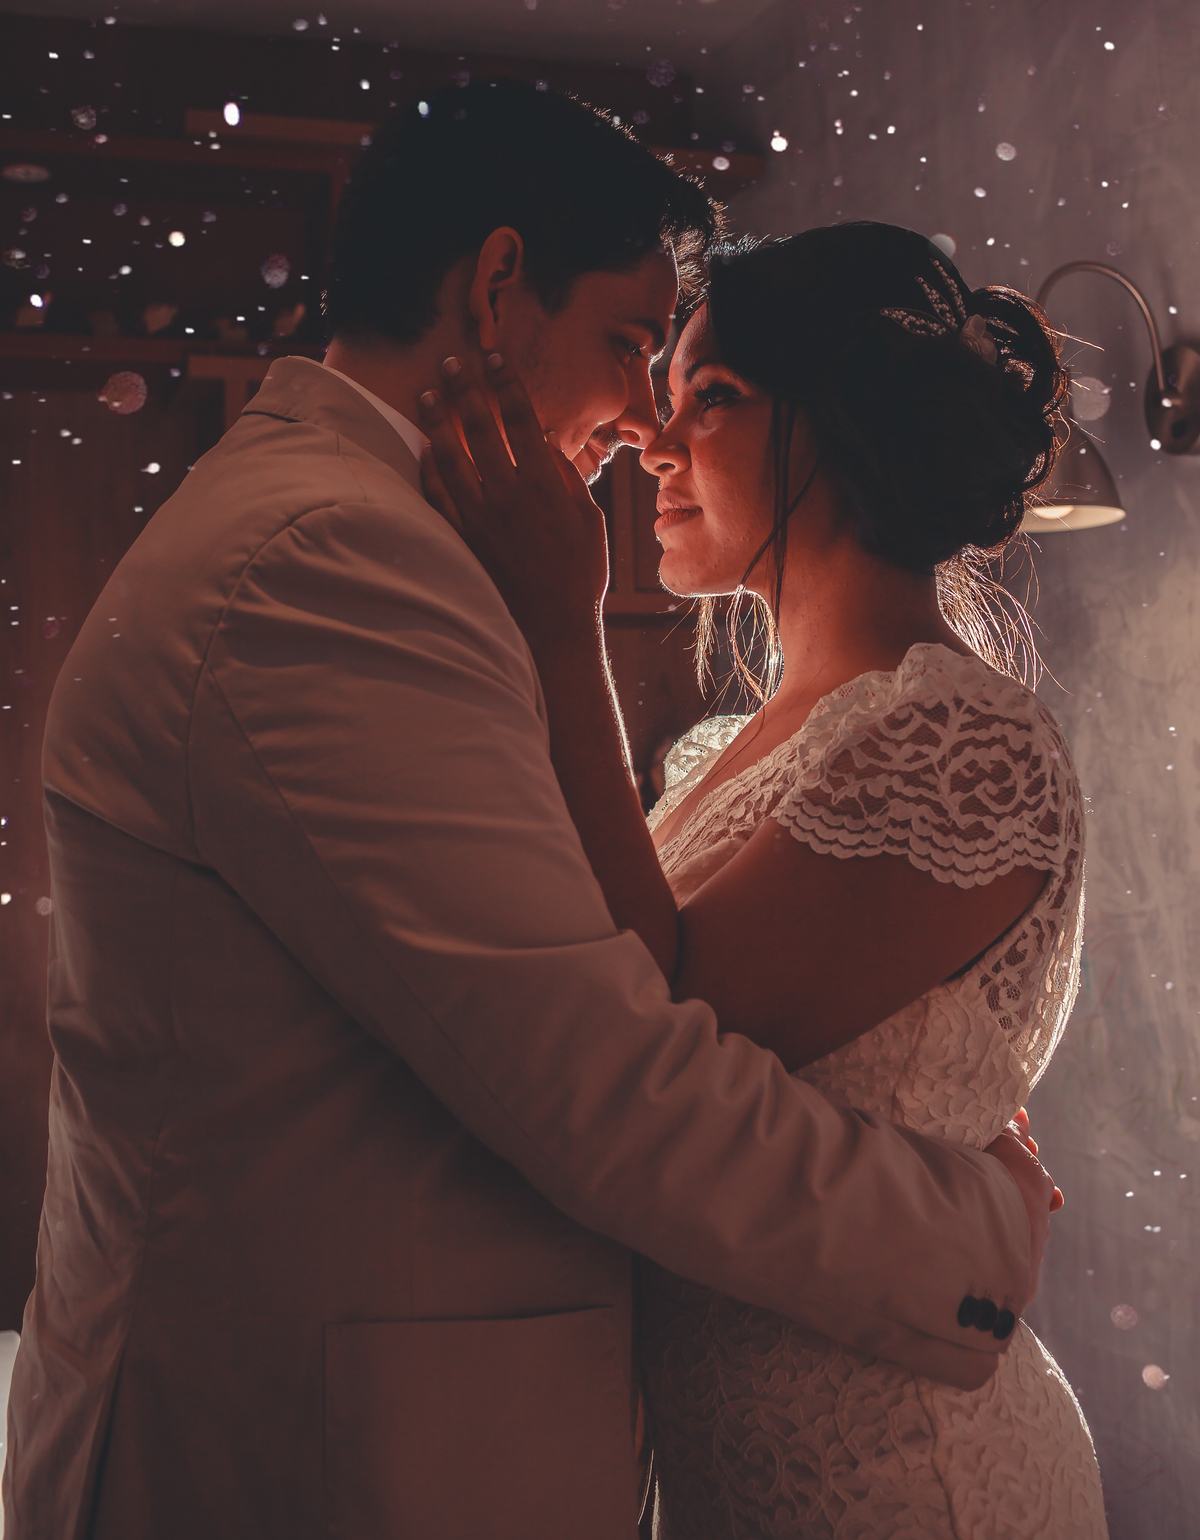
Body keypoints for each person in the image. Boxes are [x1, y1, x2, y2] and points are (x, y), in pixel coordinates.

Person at [3, 84, 1052, 1540]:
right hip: (319, 1444)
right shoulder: (332, 560)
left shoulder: (365, 539)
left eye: (693, 383)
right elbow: (600, 1075)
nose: (644, 421)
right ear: (498, 290)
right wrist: (969, 1230)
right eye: (631, 344)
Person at [418, 222, 1106, 1537]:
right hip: (744, 1465)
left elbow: (645, 1031)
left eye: (714, 397)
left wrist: (559, 623)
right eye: (666, 399)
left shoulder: (956, 738)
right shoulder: (736, 747)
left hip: (904, 1476)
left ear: (843, 421)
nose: (658, 444)